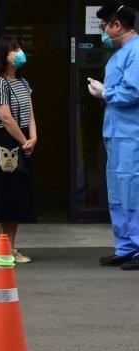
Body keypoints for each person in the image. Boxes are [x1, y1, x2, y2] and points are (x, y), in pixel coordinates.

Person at [88, 3, 139, 270]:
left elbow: (134, 91)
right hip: (116, 133)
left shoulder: (136, 52)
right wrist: (107, 92)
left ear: (116, 25)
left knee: (133, 188)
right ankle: (126, 246)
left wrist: (107, 94)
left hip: (132, 134)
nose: (103, 31)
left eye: (104, 26)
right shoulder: (119, 54)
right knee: (119, 190)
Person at [0, 36, 38, 263]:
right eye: (13, 50)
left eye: (19, 48)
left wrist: (33, 137)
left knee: (15, 198)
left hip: (22, 141)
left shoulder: (23, 82)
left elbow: (30, 112)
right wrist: (25, 140)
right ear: (2, 56)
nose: (19, 53)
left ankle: (10, 249)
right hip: (4, 143)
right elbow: (5, 117)